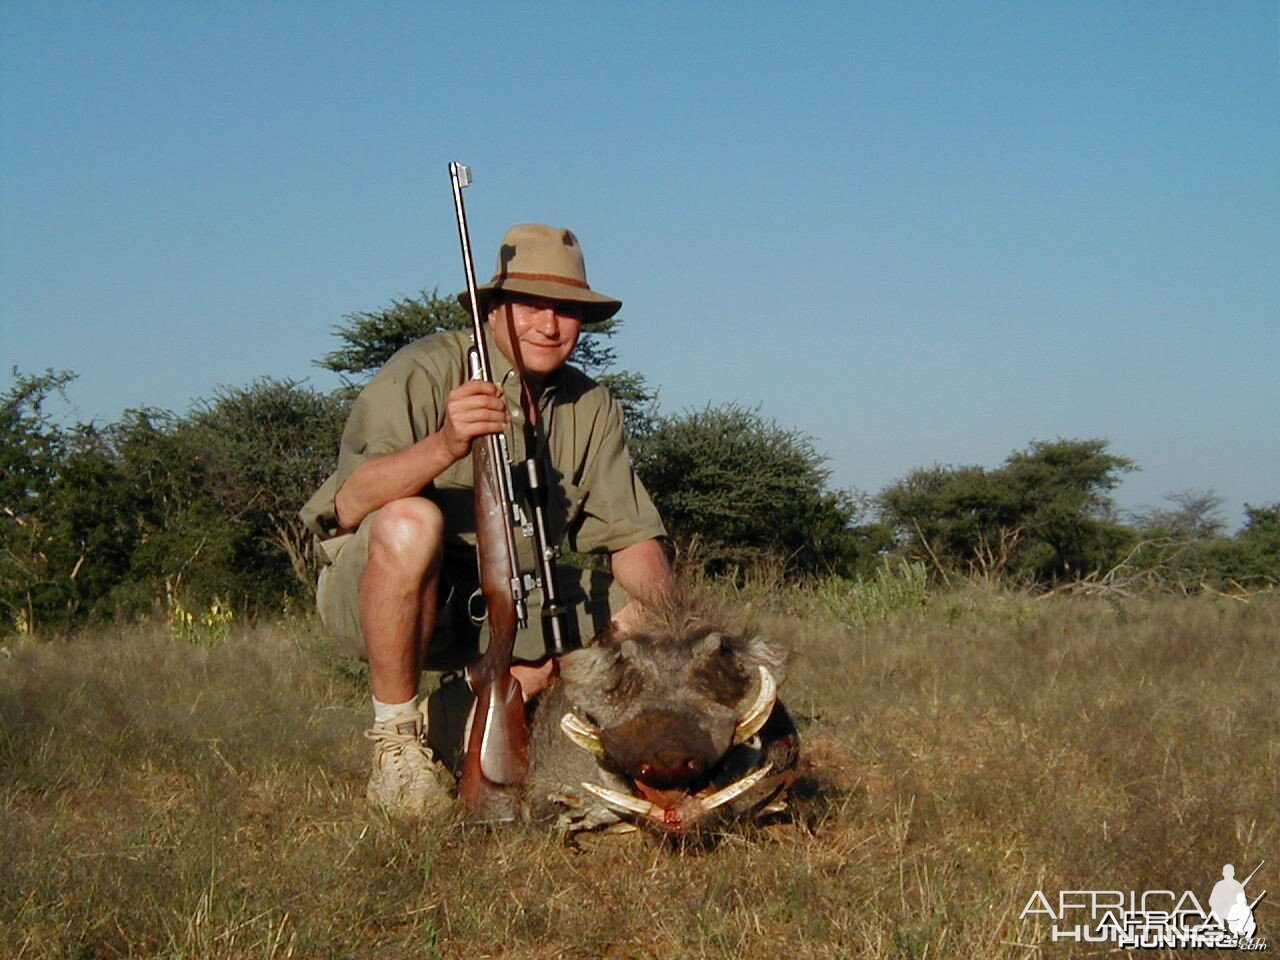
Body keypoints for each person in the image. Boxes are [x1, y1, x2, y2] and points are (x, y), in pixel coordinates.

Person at [300, 222, 675, 817]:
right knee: (409, 522)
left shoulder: (592, 404)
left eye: (568, 310)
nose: (549, 327)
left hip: (522, 602)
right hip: (398, 594)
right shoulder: (424, 369)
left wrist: (676, 630)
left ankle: (480, 706)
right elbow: (346, 506)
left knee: (646, 608)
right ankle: (396, 743)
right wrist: (447, 443)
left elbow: (631, 536)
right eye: (532, 305)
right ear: (494, 309)